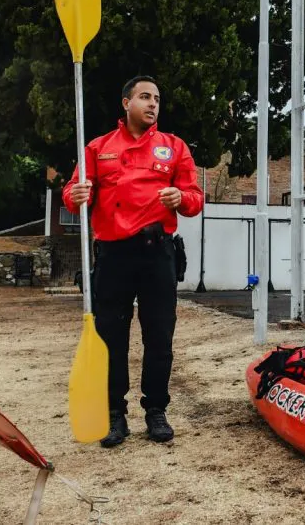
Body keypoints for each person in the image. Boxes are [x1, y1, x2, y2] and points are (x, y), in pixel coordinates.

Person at [63, 75, 204, 447]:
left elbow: (195, 198)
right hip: (113, 255)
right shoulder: (98, 147)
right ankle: (114, 413)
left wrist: (181, 198)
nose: (153, 103)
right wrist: (75, 194)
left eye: (156, 98)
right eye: (145, 96)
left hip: (158, 253)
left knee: (159, 335)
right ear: (126, 103)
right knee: (111, 337)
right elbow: (72, 192)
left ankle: (156, 409)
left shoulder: (174, 147)